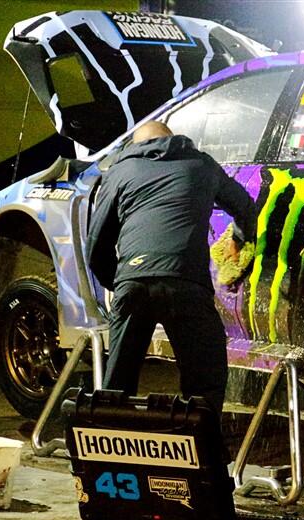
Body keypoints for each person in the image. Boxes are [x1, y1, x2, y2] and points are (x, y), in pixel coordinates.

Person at [86, 121, 256, 413]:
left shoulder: (120, 171)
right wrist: (238, 240)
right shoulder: (201, 164)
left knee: (117, 383)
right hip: (186, 282)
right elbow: (245, 207)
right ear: (173, 139)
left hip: (133, 281)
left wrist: (121, 282)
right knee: (205, 381)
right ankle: (202, 449)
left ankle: (109, 446)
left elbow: (96, 245)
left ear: (134, 147)